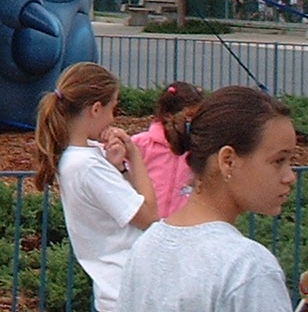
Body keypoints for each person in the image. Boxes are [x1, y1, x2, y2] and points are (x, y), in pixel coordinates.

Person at [118, 85, 298, 312]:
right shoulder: (248, 268)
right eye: (278, 161)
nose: (290, 177)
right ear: (228, 161)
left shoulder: (146, 246)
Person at [32, 61, 159, 312]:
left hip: (120, 291)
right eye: (113, 108)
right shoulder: (88, 166)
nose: (113, 118)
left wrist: (119, 169)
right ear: (96, 109)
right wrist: (134, 155)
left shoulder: (80, 157)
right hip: (128, 292)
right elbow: (149, 216)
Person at [134, 82, 203, 217]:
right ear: (168, 114)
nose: (193, 122)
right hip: (146, 222)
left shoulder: (197, 150)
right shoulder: (141, 144)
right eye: (189, 116)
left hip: (182, 224)